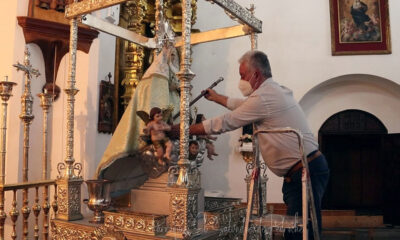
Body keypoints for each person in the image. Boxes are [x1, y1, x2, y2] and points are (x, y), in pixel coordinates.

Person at [188, 50, 329, 239]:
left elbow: (225, 122)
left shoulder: (265, 96)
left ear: (255, 74)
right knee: (300, 230)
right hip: (302, 170)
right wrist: (216, 97)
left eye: (242, 75)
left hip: (305, 171)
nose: (241, 80)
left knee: (301, 232)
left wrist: (183, 130)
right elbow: (242, 105)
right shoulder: (270, 92)